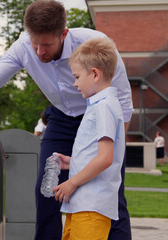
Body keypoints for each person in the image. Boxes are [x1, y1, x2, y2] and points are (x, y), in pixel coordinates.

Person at [0, 1, 134, 239]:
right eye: (34, 43)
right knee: (46, 190)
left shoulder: (96, 46)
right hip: (61, 119)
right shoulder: (23, 46)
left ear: (64, 34)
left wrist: (114, 152)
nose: (39, 52)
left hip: (100, 118)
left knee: (110, 193)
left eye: (47, 44)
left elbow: (122, 102)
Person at [52, 37, 125, 240]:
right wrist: (73, 162)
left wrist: (71, 183)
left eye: (76, 77)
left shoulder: (104, 107)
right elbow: (97, 153)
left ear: (94, 74)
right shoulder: (98, 106)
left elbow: (105, 158)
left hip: (91, 207)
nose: (75, 83)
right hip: (81, 206)